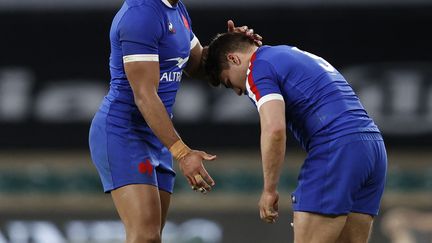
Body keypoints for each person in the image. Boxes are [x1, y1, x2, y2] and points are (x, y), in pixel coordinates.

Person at [88, 0, 262, 242]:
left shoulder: (175, 8)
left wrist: (232, 48)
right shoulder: (141, 16)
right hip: (123, 131)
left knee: (152, 237)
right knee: (144, 236)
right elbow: (145, 96)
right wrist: (182, 152)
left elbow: (198, 64)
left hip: (155, 134)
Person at [204, 32, 387, 243]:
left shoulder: (258, 67)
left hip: (337, 147)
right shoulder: (286, 53)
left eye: (228, 82)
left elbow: (274, 129)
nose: (236, 91)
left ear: (234, 59)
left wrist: (269, 190)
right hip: (372, 146)